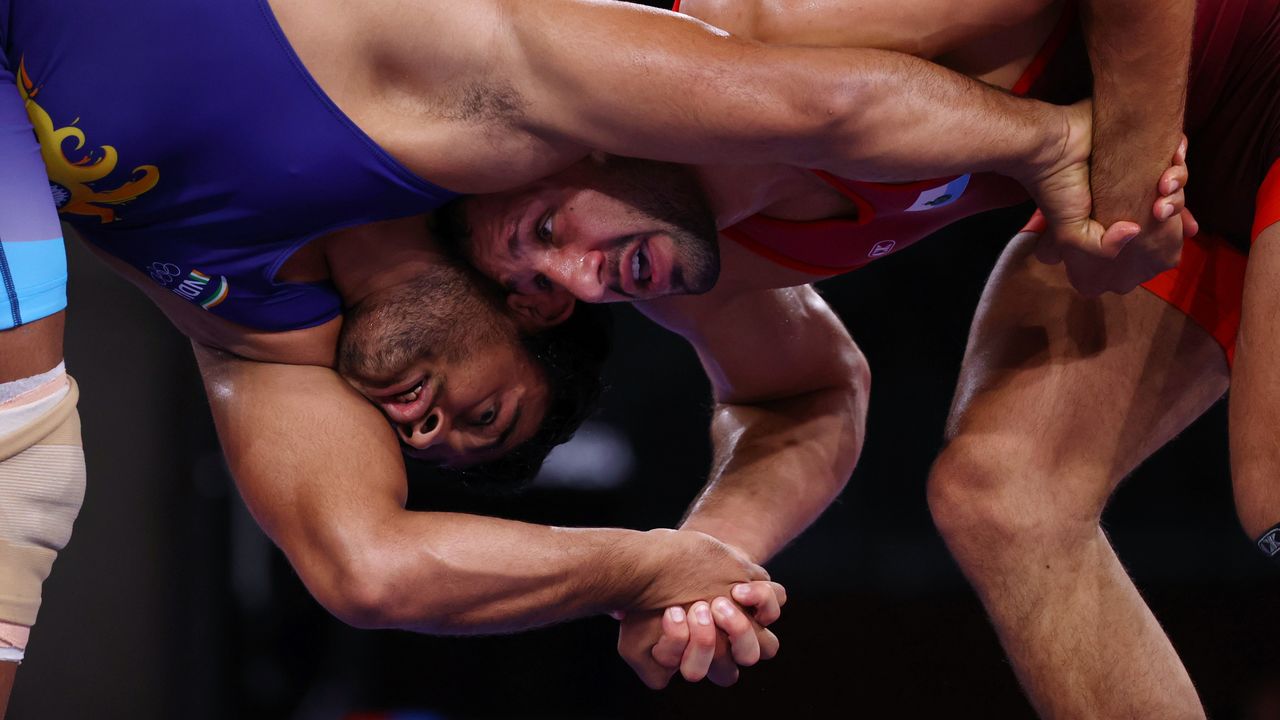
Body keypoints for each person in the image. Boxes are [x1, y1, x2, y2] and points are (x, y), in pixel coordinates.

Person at [0, 0, 1179, 712]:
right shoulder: (494, 94)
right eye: (483, 419)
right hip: (1134, 116)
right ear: (528, 306)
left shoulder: (264, 337)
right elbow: (813, 106)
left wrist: (672, 561)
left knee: (31, 484)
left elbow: (368, 571)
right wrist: (1063, 147)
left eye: (432, 442)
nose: (421, 431)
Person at [443, 0, 1275, 712]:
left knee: (1271, 489)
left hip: (1235, 87)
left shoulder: (781, 24)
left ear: (579, 133)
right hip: (1178, 181)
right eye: (541, 288)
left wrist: (1126, 189)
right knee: (1004, 494)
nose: (585, 284)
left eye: (548, 230)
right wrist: (696, 561)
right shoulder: (673, 261)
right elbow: (799, 396)